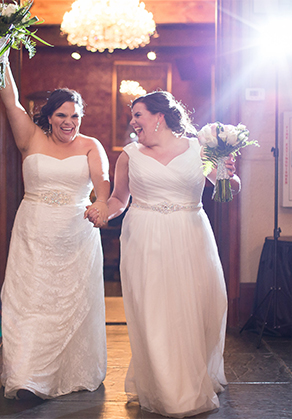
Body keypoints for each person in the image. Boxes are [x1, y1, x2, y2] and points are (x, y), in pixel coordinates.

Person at [86, 91, 241, 417]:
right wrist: (102, 210)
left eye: (138, 114)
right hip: (144, 239)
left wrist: (228, 171)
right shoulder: (129, 155)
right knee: (153, 312)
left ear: (159, 117)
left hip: (190, 235)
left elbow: (227, 189)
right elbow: (118, 200)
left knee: (193, 307)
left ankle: (192, 378)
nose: (132, 121)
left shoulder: (199, 149)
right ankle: (168, 389)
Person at [0, 43, 110, 400]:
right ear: (49, 116)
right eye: (62, 116)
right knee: (29, 301)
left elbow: (102, 181)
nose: (69, 123)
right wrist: (0, 53)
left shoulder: (90, 144)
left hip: (76, 235)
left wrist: (102, 203)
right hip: (33, 231)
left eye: (75, 117)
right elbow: (10, 99)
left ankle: (68, 372)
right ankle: (27, 377)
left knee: (70, 303)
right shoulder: (29, 136)